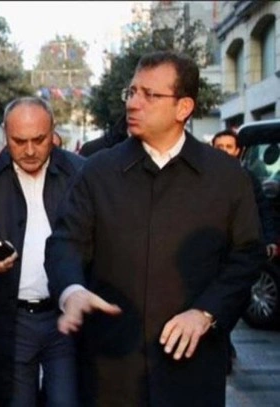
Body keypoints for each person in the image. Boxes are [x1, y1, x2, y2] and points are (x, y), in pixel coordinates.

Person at [45, 51, 264, 406]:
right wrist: (71, 290)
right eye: (131, 92)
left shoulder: (226, 177)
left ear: (183, 107)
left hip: (192, 364)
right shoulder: (98, 171)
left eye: (150, 94)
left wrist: (206, 312)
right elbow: (65, 242)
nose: (134, 103)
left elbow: (247, 255)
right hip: (110, 366)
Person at [0, 97, 83, 406]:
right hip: (11, 321)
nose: (29, 150)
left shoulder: (81, 174)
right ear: (4, 136)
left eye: (38, 140)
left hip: (65, 319)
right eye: (18, 141)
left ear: (53, 132)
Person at [211, 128, 277, 373]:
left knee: (238, 299)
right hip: (213, 252)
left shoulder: (247, 178)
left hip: (240, 251)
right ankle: (222, 346)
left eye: (229, 147)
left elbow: (264, 210)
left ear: (238, 151)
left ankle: (223, 337)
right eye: (220, 147)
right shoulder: (203, 178)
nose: (225, 152)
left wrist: (269, 239)